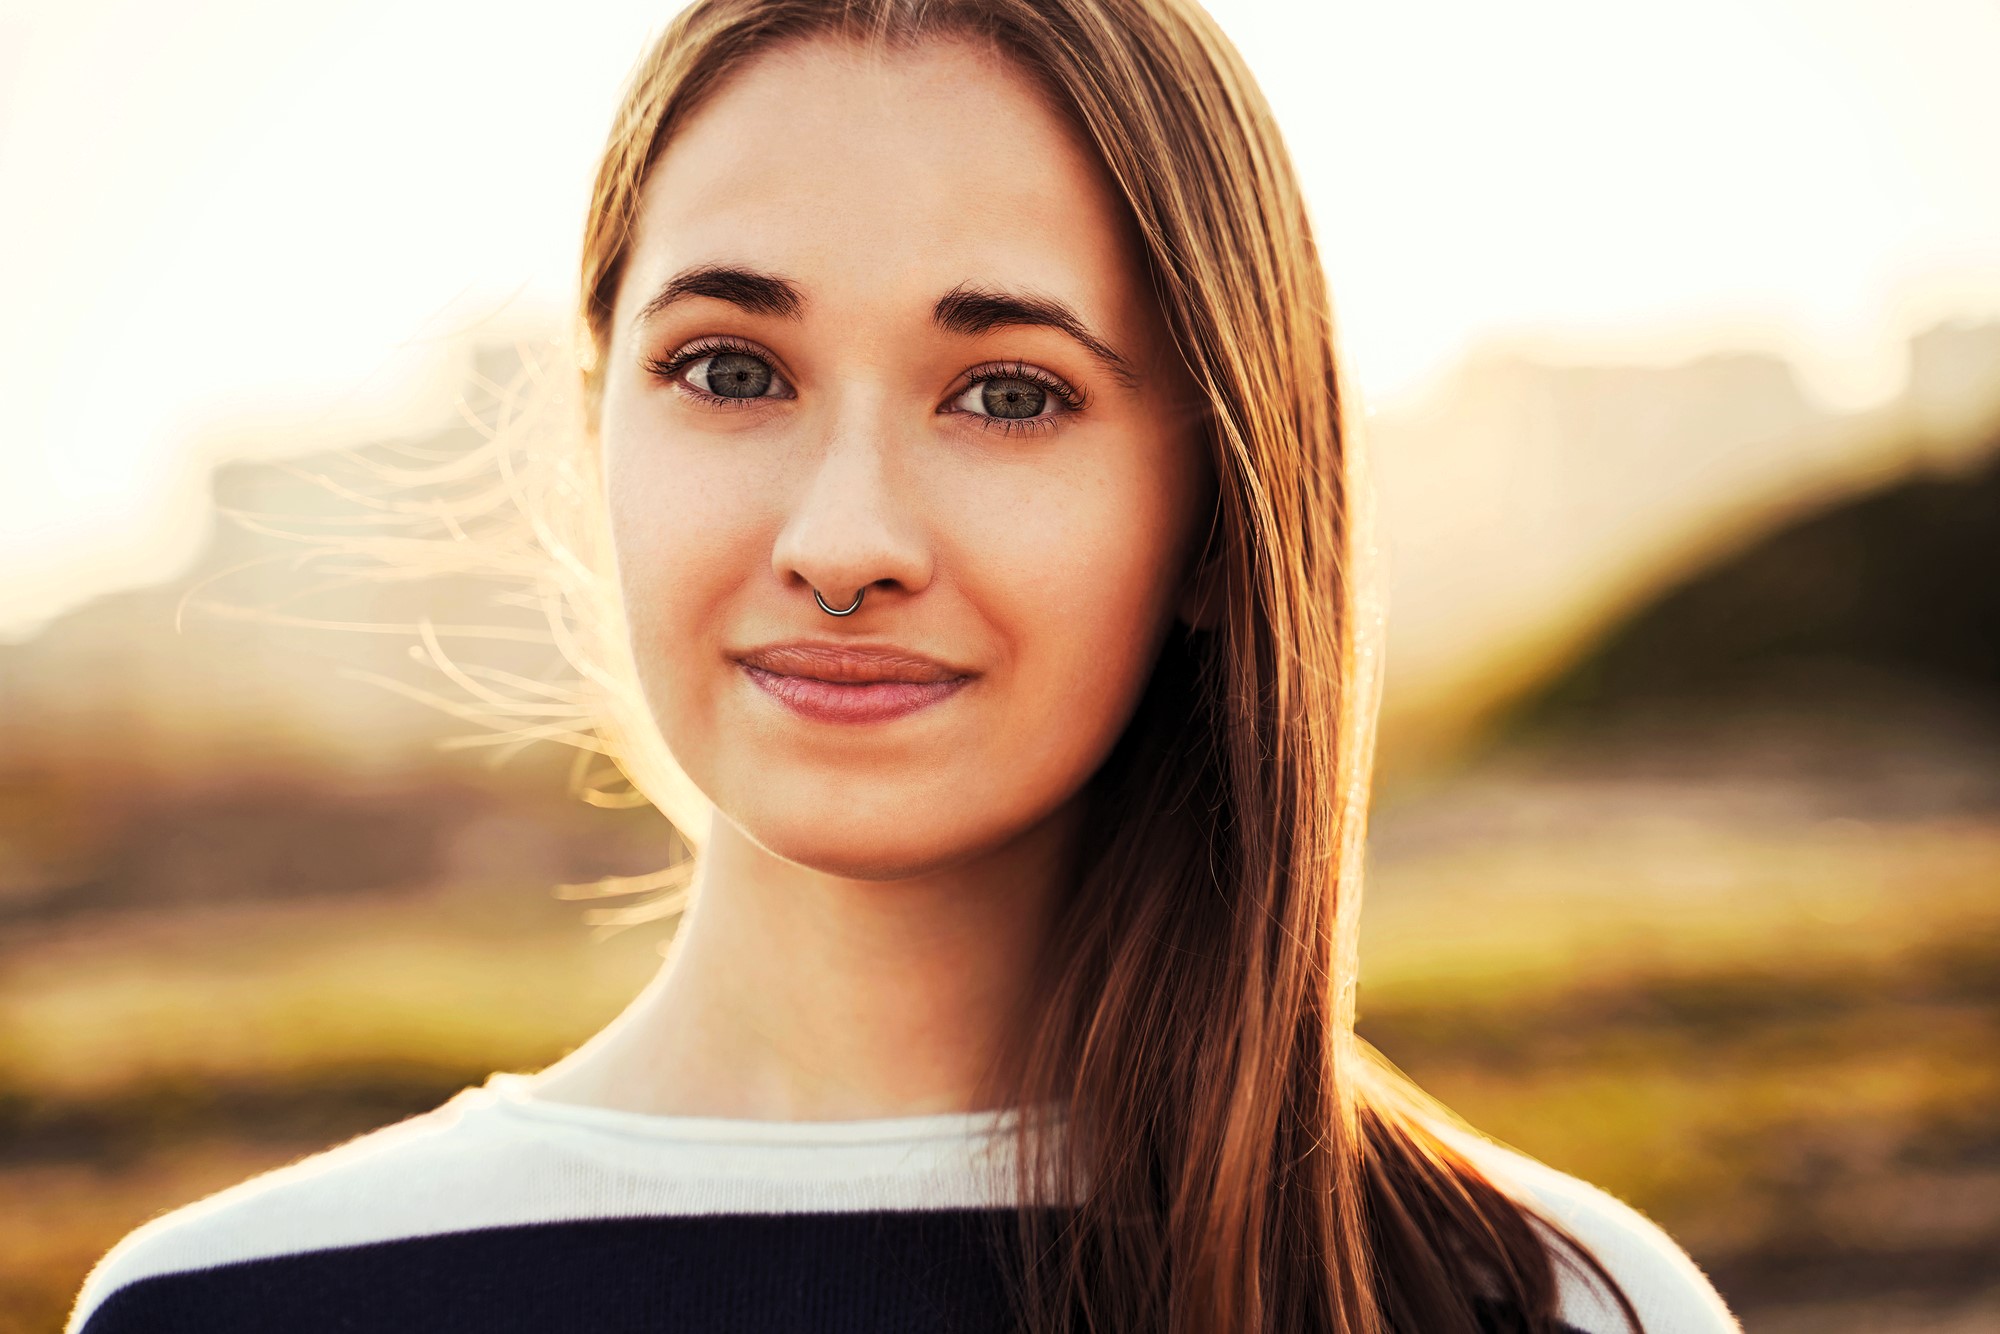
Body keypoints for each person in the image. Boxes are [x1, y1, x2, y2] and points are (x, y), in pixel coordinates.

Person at [66, 1, 1744, 1331]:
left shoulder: (1551, 1308)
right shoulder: (230, 1308)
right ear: (596, 437)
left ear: (1224, 514)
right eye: (729, 369)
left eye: (1008, 391)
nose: (844, 536)